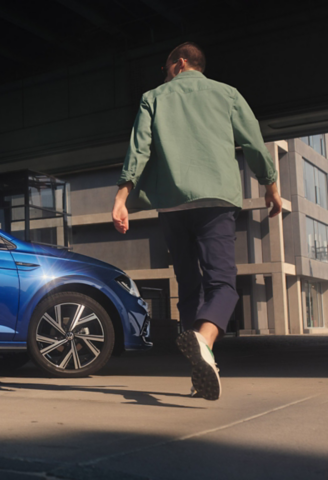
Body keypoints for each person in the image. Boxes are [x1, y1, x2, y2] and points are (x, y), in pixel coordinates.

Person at [111, 42, 282, 400]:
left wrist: (122, 198)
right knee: (223, 284)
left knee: (189, 286)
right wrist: (271, 185)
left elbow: (138, 149)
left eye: (166, 67)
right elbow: (253, 142)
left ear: (180, 63)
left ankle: (200, 367)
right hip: (215, 199)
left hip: (171, 205)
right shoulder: (227, 94)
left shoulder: (153, 98)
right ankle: (204, 342)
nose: (166, 74)